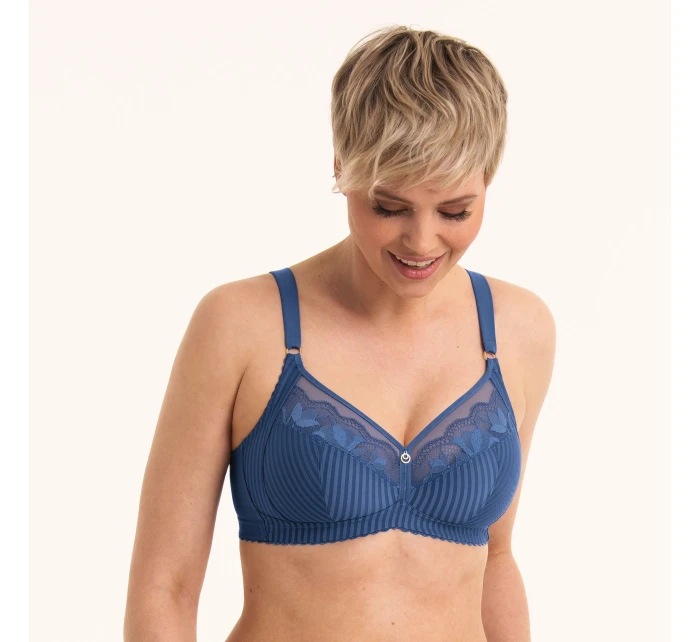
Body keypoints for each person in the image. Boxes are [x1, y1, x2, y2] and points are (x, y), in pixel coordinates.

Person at [124, 24, 556, 642]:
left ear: (488, 178)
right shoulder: (242, 325)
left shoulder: (518, 329)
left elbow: (496, 557)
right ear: (341, 167)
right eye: (389, 207)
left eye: (455, 211)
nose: (422, 241)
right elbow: (164, 589)